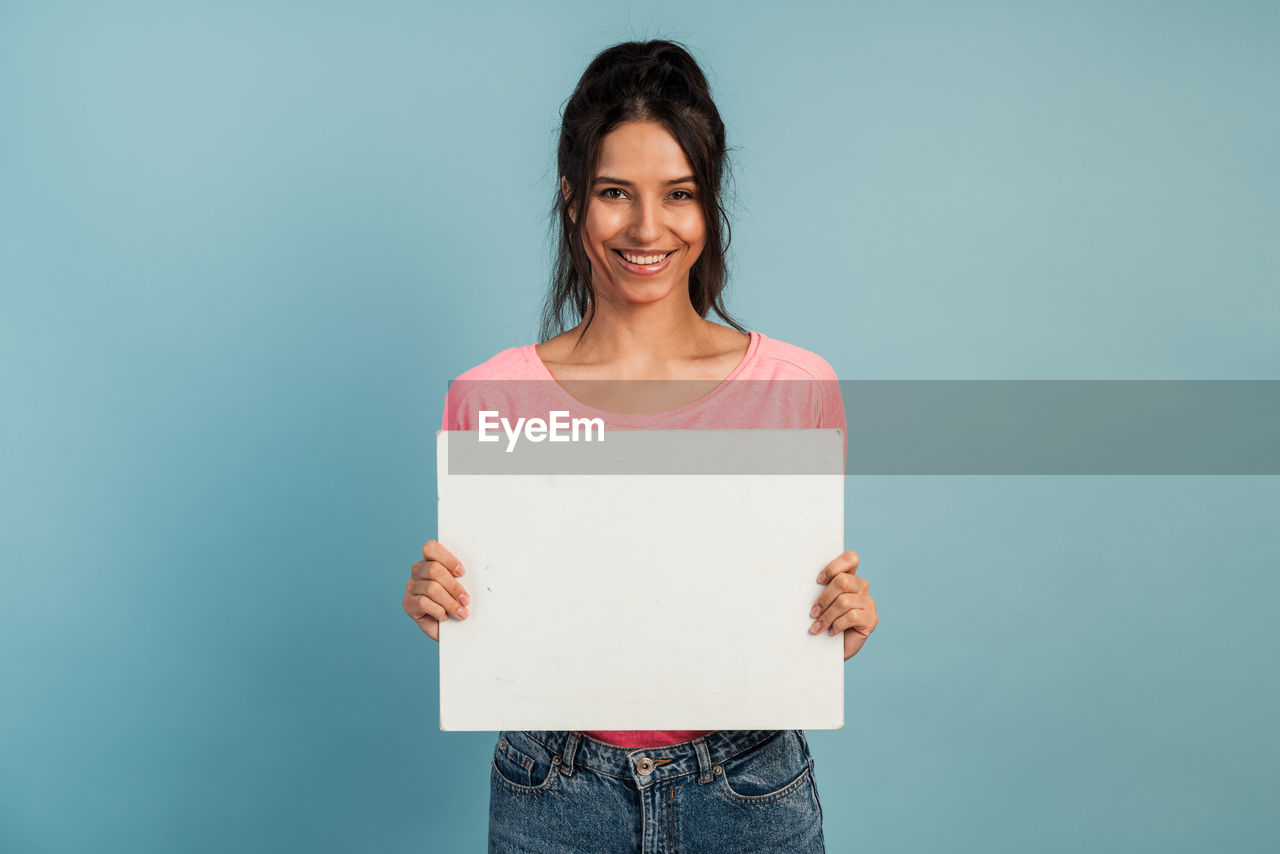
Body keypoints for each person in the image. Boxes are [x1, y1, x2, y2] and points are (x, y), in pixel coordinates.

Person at [402, 39, 879, 853]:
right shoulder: (489, 398)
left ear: (710, 202)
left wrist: (842, 615)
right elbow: (502, 609)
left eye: (680, 194)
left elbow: (779, 604)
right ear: (572, 199)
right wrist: (443, 600)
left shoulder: (796, 386)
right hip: (553, 791)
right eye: (615, 192)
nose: (648, 228)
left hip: (750, 788)